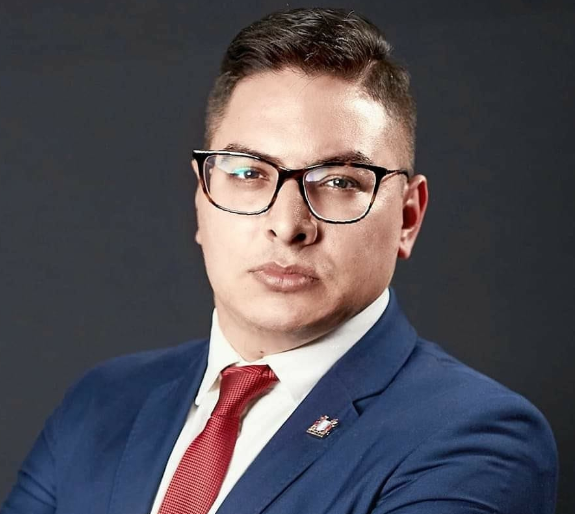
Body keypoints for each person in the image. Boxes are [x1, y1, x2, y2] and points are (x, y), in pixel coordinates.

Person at [1, 7, 557, 514]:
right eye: (248, 173)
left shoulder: (477, 439)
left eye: (340, 181)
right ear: (202, 197)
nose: (288, 224)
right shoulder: (102, 402)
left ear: (408, 218)